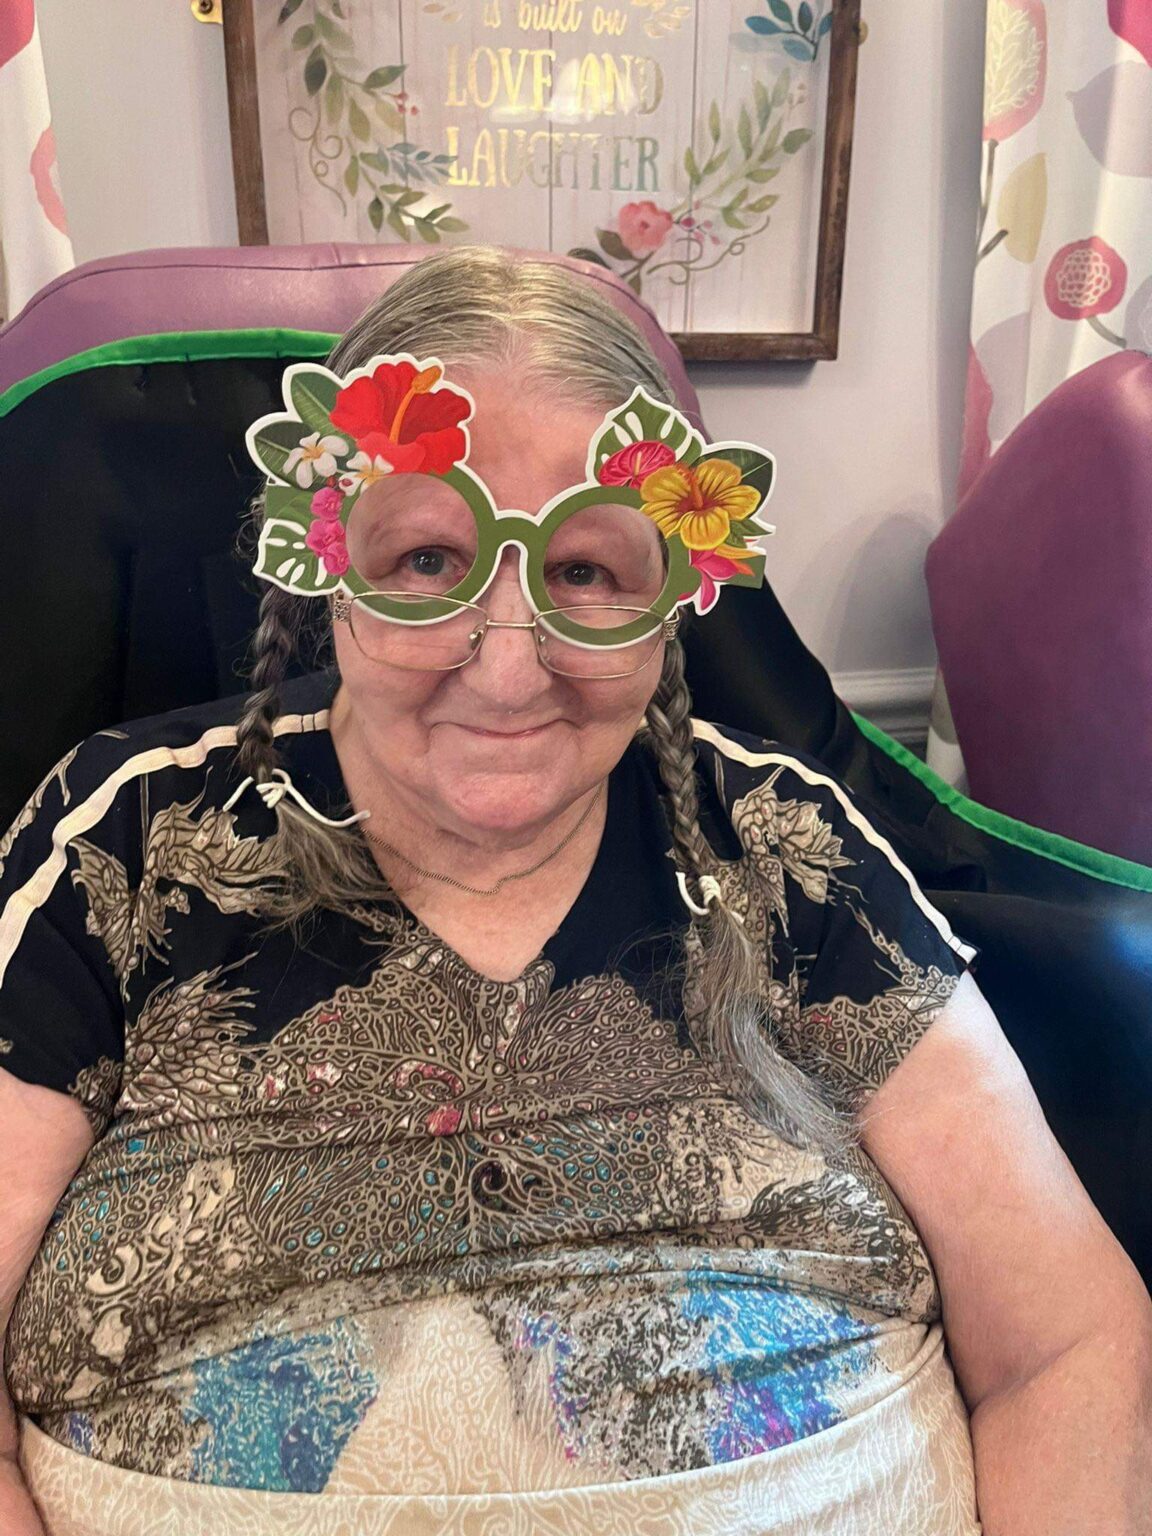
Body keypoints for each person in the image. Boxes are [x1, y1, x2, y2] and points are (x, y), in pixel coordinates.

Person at [1, 247, 1149, 1536]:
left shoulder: (782, 842)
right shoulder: (129, 842)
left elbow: (1067, 1341)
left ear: (670, 602)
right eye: (427, 560)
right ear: (327, 565)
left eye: (586, 573)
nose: (509, 671)